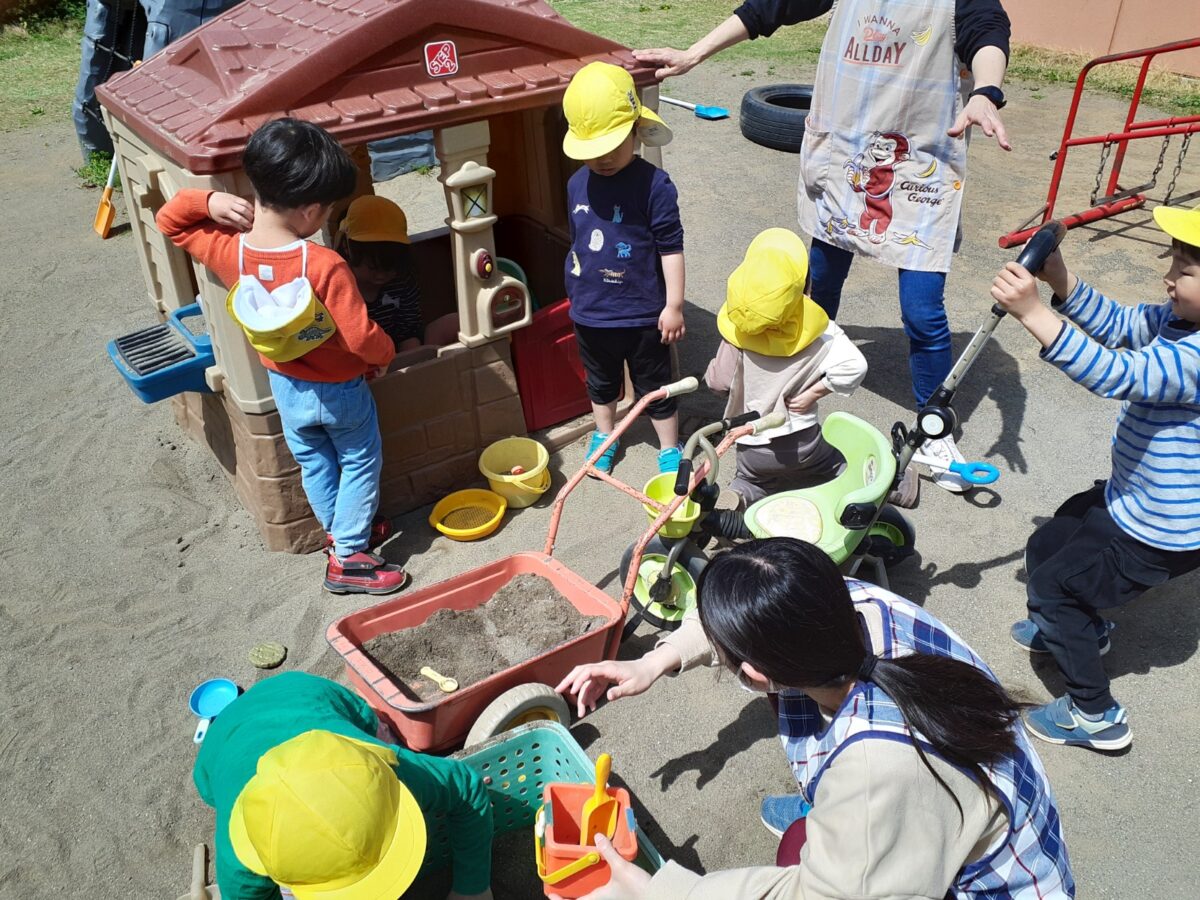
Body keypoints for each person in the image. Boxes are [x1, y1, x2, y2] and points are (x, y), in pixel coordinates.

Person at [634, 0, 1013, 494]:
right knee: (821, 283)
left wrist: (985, 91)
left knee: (922, 311)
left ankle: (933, 426)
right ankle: (797, 378)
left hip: (919, 160)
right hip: (848, 153)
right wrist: (694, 53)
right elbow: (772, 7)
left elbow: (987, 28)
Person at [555, 539, 1075, 899]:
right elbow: (748, 619)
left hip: (988, 885)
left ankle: (830, 818)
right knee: (805, 839)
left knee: (796, 851)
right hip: (939, 816)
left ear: (756, 676)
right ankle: (825, 814)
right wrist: (654, 662)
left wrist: (657, 892)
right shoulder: (842, 606)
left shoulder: (879, 768)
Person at [155, 118, 406, 595]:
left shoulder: (231, 252)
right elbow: (360, 338)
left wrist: (207, 203)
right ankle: (349, 558)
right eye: (326, 208)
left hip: (286, 389)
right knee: (359, 461)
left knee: (315, 463)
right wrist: (386, 354)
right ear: (311, 210)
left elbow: (169, 221)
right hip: (340, 392)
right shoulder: (324, 264)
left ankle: (341, 533)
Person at [989, 205, 1200, 751]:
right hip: (1133, 497)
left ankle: (1096, 714)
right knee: (1052, 539)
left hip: (1160, 528)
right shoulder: (1179, 321)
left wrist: (1034, 313)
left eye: (1184, 271)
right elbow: (1122, 326)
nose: (1168, 278)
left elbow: (1115, 373)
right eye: (1172, 263)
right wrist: (1060, 279)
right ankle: (1082, 629)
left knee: (1054, 589)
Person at [194, 671, 493, 900]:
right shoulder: (240, 868)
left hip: (303, 691)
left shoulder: (392, 771)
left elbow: (467, 789)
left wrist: (473, 888)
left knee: (376, 726)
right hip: (219, 743)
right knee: (211, 790)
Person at [561, 61, 687, 475]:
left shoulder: (654, 185)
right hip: (591, 312)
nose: (602, 158)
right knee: (600, 381)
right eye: (592, 150)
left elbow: (671, 247)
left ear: (635, 130)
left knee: (655, 383)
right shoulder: (576, 184)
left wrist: (674, 305)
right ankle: (605, 434)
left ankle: (668, 446)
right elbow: (579, 241)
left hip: (643, 314)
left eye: (612, 146)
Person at [703, 227, 867, 508]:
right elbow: (856, 366)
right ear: (806, 289)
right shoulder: (822, 331)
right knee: (839, 468)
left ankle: (743, 494)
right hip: (803, 441)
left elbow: (718, 382)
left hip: (751, 443)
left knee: (754, 479)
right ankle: (884, 489)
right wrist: (813, 393)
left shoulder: (738, 333)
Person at [336, 195, 460, 356]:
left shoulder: (402, 280)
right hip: (360, 355)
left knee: (452, 322)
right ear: (348, 249)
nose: (381, 275)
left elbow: (408, 332)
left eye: (390, 268)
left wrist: (410, 360)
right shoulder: (339, 283)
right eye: (373, 267)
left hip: (400, 348)